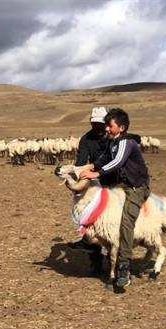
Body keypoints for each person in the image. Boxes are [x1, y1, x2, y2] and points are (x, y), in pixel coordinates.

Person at [79, 108, 150, 287]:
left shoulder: (126, 142)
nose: (107, 129)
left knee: (125, 221)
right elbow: (104, 158)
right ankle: (95, 248)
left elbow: (117, 162)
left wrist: (96, 174)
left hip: (135, 187)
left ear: (122, 128)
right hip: (119, 185)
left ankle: (124, 266)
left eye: (110, 126)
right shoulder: (112, 142)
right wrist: (91, 166)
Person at [66, 107, 110, 276]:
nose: (97, 127)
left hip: (114, 179)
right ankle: (95, 261)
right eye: (94, 124)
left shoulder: (113, 138)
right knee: (89, 217)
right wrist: (76, 176)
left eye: (100, 124)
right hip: (95, 180)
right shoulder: (86, 139)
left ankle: (118, 260)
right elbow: (81, 161)